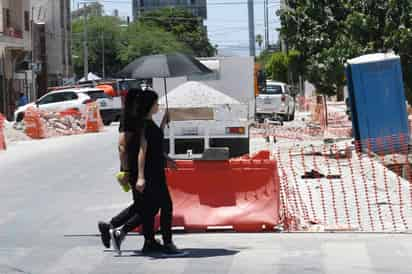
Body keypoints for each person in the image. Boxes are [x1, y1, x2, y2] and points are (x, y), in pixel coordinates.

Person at [132, 90, 183, 255]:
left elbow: (156, 146)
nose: (158, 106)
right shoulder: (144, 126)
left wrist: (167, 158)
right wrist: (140, 177)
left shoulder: (150, 123)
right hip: (151, 174)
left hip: (157, 170)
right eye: (156, 103)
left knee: (150, 208)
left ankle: (149, 242)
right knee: (166, 206)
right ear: (150, 105)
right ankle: (167, 242)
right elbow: (142, 151)